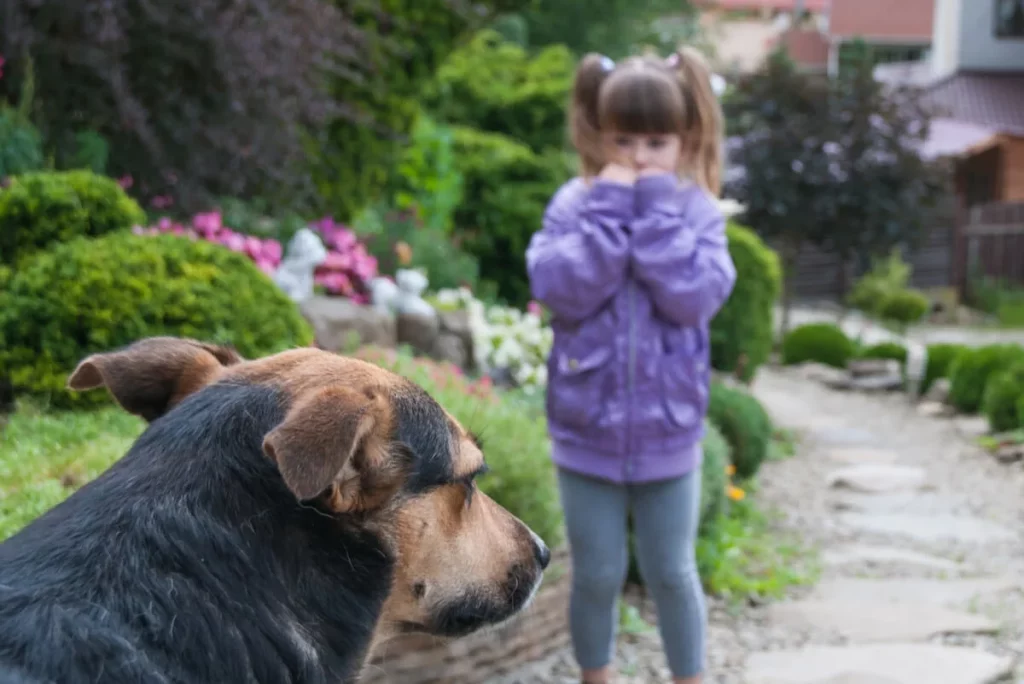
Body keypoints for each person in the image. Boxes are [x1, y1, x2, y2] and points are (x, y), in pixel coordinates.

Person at [525, 47, 737, 684]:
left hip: (669, 433)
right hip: (585, 431)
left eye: (656, 141)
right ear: (597, 133)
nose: (641, 157)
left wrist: (654, 217)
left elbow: (695, 297)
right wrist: (613, 214)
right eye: (625, 141)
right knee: (595, 573)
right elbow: (560, 287)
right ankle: (597, 676)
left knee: (673, 571)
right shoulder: (575, 204)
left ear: (685, 138)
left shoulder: (695, 211)